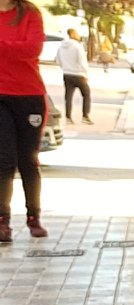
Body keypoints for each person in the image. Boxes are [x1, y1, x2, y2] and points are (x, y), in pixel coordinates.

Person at [0, 0, 48, 242]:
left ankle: (33, 216)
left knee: (28, 160)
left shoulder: (29, 13)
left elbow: (32, 49)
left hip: (28, 95)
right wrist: (13, 48)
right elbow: (21, 49)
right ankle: (2, 221)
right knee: (4, 160)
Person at [56, 26, 86, 124]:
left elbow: (58, 60)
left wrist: (65, 67)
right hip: (79, 74)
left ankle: (68, 117)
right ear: (73, 34)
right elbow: (82, 61)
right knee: (86, 94)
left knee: (68, 96)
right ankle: (85, 116)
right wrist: (85, 72)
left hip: (67, 74)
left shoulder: (61, 46)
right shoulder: (78, 46)